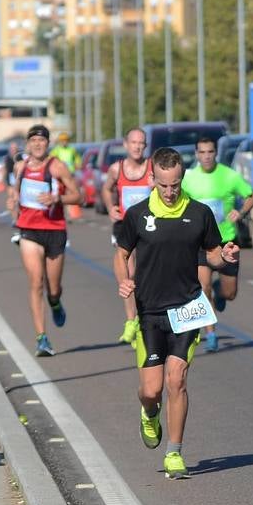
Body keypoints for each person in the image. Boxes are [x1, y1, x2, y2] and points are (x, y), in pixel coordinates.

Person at [114, 147, 238, 479]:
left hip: (187, 309)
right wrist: (124, 279)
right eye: (164, 185)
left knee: (177, 379)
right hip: (150, 312)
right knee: (151, 391)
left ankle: (174, 452)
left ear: (182, 179)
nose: (170, 192)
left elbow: (212, 254)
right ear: (153, 179)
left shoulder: (198, 213)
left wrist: (225, 257)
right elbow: (121, 253)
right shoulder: (138, 214)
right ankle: (149, 413)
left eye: (175, 185)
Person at [6, 124, 81, 357]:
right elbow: (15, 191)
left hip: (55, 230)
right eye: (34, 141)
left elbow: (78, 195)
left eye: (42, 141)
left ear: (48, 144)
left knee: (53, 288)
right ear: (28, 144)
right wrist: (12, 201)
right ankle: (42, 338)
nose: (38, 145)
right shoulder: (20, 167)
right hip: (29, 230)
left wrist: (56, 199)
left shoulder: (57, 166)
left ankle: (55, 302)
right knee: (36, 282)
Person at [182, 135, 253, 353]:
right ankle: (211, 334)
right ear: (196, 154)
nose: (206, 156)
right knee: (202, 287)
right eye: (202, 152)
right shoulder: (188, 178)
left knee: (229, 293)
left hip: (226, 242)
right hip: (200, 243)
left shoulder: (229, 176)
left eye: (210, 152)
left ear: (216, 153)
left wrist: (241, 212)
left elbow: (251, 196)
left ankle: (220, 290)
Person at [101, 127, 152, 346]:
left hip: (149, 225)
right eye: (134, 142)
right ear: (125, 144)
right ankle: (131, 321)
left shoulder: (152, 168)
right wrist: (110, 207)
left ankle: (142, 318)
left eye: (141, 143)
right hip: (124, 226)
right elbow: (106, 189)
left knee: (143, 275)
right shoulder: (117, 169)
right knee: (127, 273)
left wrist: (155, 187)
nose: (137, 147)